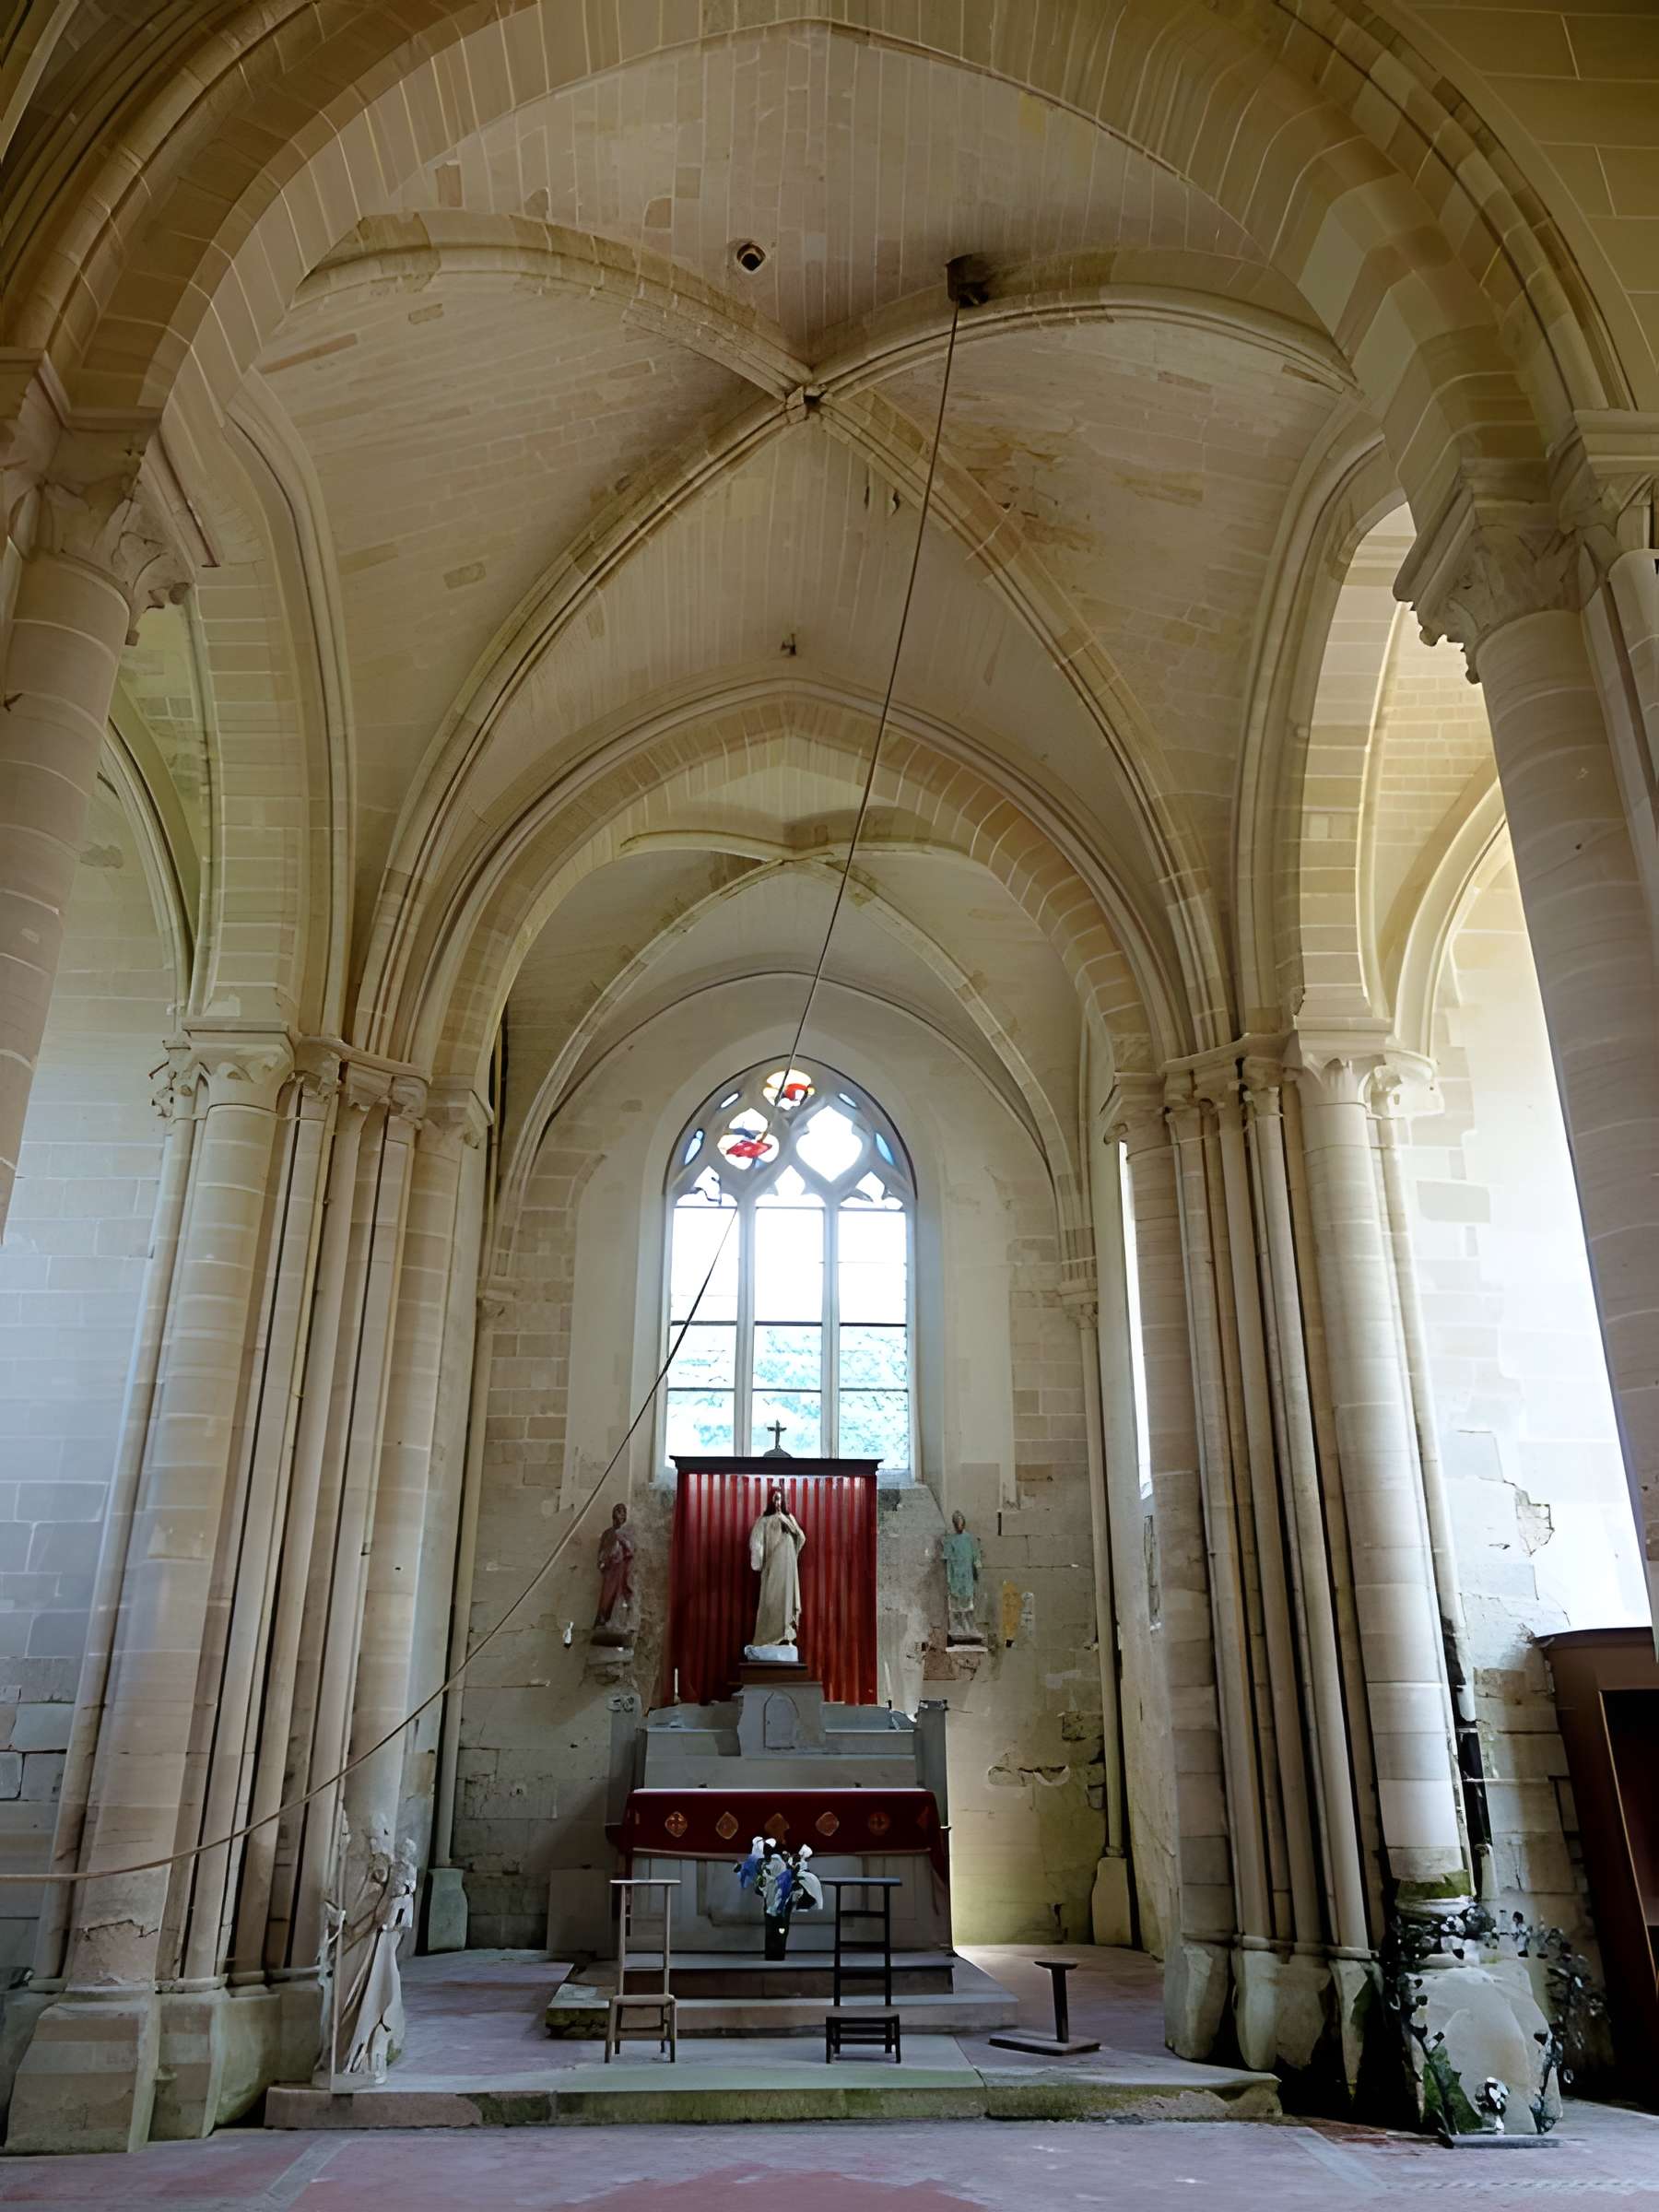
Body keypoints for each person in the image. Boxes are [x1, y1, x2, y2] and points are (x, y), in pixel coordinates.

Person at [746, 1484, 806, 1653]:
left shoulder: (789, 1518)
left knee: (786, 1602)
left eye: (780, 1499)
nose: (778, 1502)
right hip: (772, 1568)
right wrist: (758, 1557)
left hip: (788, 1569)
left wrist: (785, 1520)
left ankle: (785, 1637)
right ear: (771, 1501)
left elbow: (801, 1538)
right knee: (770, 1602)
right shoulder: (763, 1521)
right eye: (775, 1499)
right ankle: (766, 1638)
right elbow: (756, 1543)